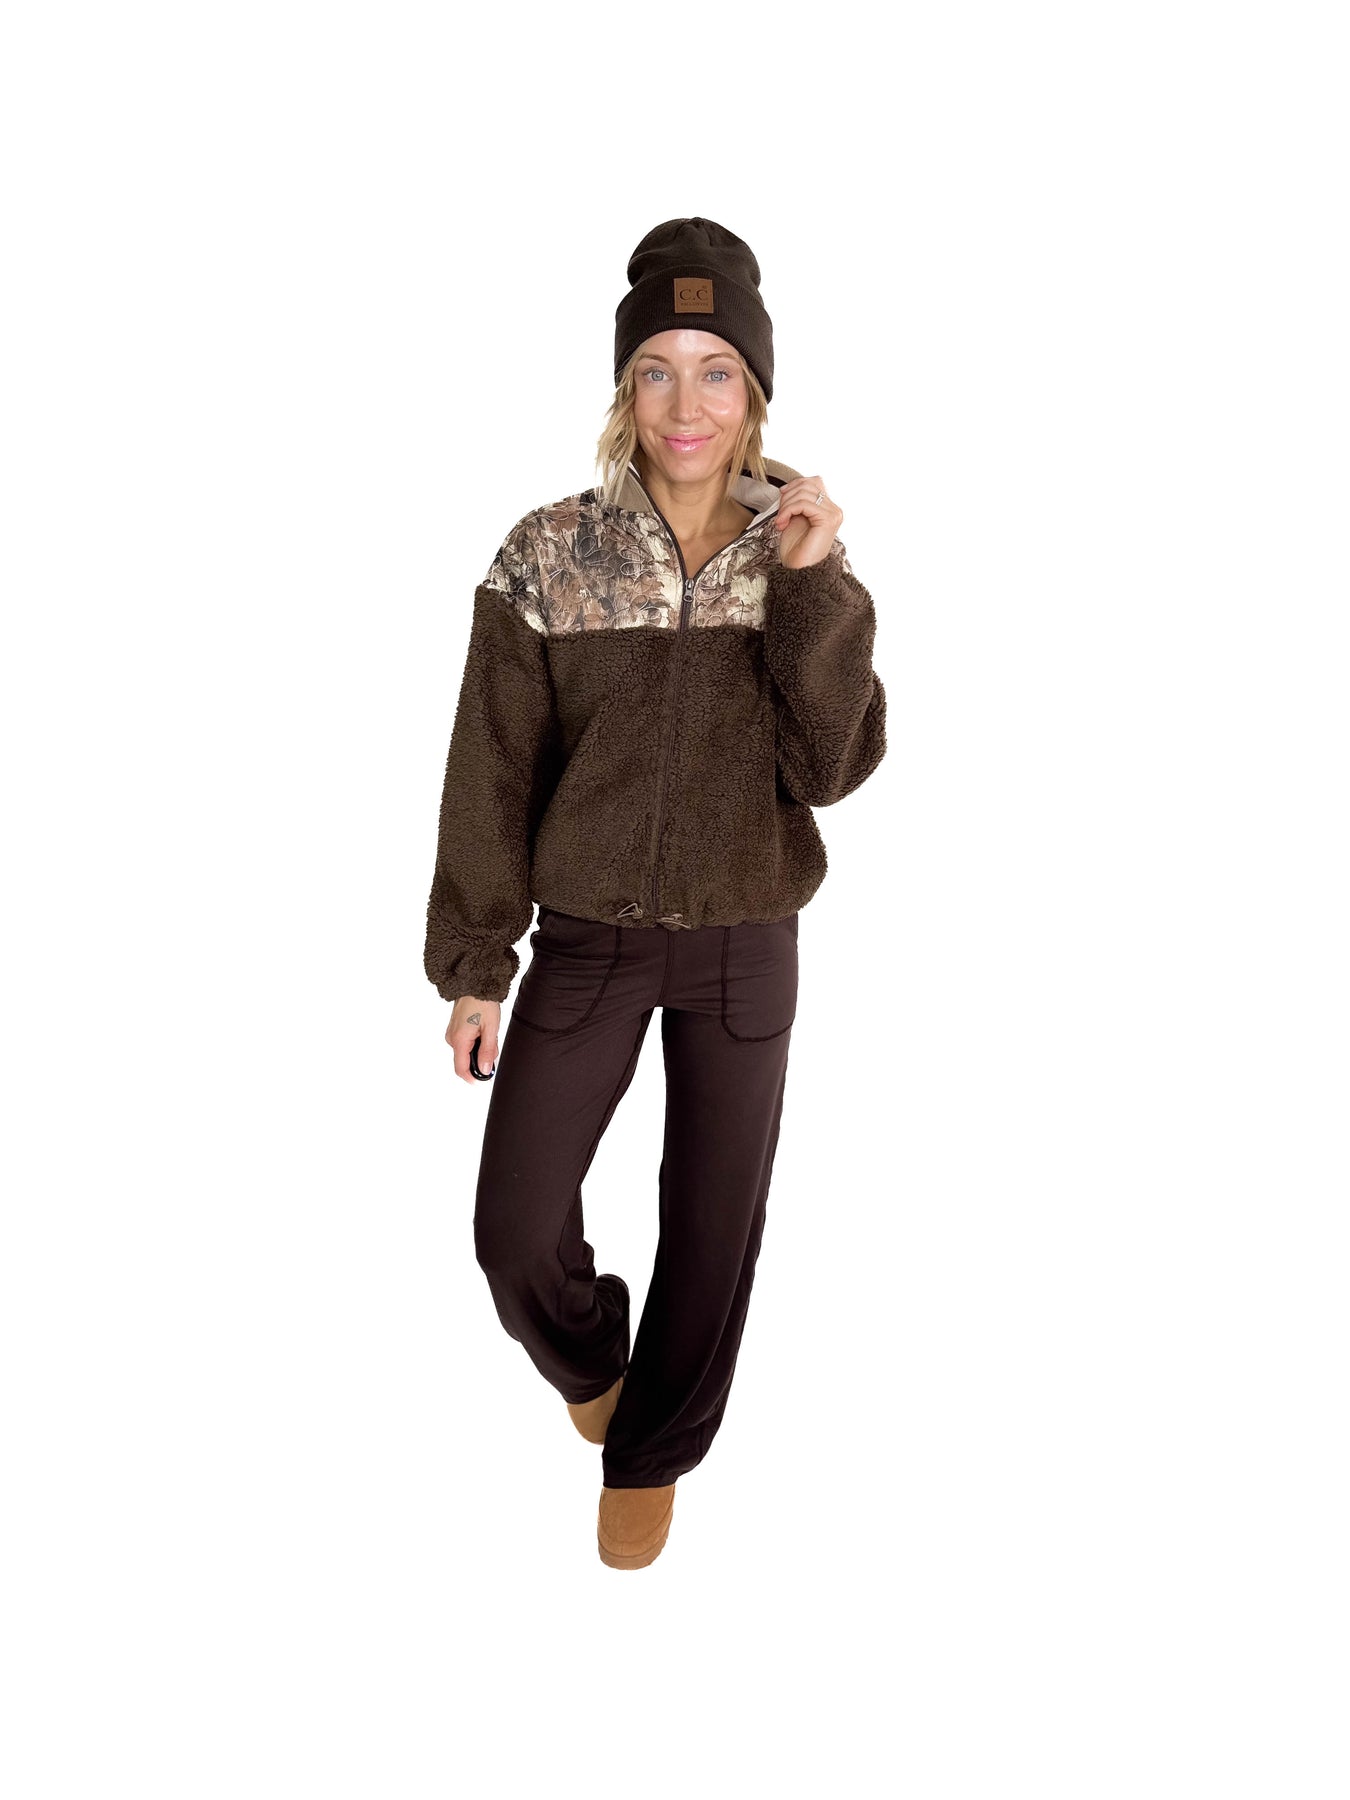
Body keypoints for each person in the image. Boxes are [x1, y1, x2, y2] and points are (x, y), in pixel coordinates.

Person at [423, 216, 887, 1568]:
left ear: (756, 393)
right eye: (657, 371)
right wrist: (475, 964)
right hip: (588, 943)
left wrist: (811, 586)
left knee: (712, 1225)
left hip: (745, 939)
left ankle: (653, 1454)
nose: (687, 405)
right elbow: (490, 769)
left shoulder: (800, 556)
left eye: (717, 371)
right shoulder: (548, 555)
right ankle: (592, 1363)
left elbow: (834, 767)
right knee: (514, 1230)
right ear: (623, 387)